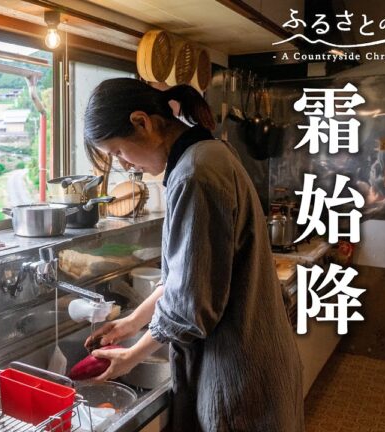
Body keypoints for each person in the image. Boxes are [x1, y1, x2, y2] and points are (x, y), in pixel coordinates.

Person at [82, 78, 304, 431]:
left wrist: (131, 356)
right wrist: (129, 324)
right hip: (256, 360)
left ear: (143, 122)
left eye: (119, 152)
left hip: (238, 370)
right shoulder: (205, 155)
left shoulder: (194, 174)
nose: (125, 165)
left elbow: (189, 306)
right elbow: (180, 279)